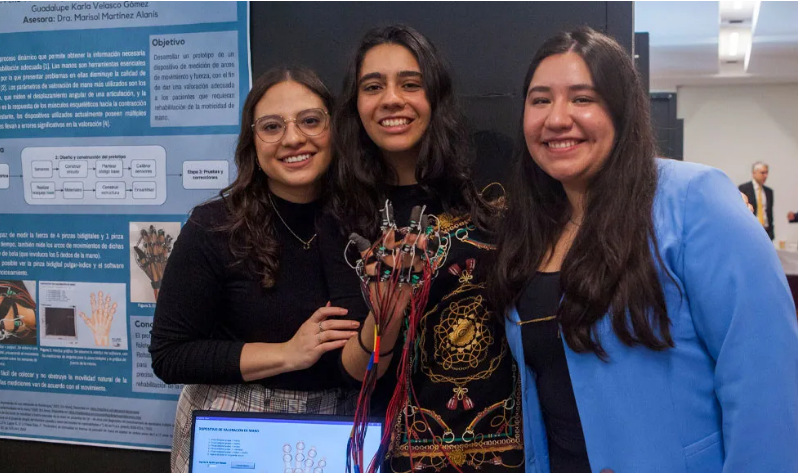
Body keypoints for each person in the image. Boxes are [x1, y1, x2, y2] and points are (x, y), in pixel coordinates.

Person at [488, 27, 798, 473]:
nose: (556, 118)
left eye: (582, 98)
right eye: (540, 100)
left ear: (621, 109)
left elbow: (764, 386)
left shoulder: (694, 201)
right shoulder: (530, 230)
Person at [319, 25, 523, 472]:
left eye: (411, 84)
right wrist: (386, 312)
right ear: (357, 104)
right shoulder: (344, 209)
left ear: (435, 95)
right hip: (405, 454)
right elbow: (357, 373)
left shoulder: (492, 173)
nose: (392, 99)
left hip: (512, 448)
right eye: (373, 87)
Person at [149, 67, 361, 473]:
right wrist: (287, 354)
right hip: (235, 426)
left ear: (336, 129)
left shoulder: (365, 222)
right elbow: (169, 356)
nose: (293, 138)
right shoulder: (214, 227)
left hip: (342, 425)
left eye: (311, 121)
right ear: (253, 142)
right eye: (272, 126)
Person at [739, 162, 774, 240]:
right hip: (750, 232)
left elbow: (769, 213)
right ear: (754, 173)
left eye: (767, 172)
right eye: (762, 173)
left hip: (766, 232)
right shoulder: (743, 189)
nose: (766, 176)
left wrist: (771, 234)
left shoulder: (769, 192)